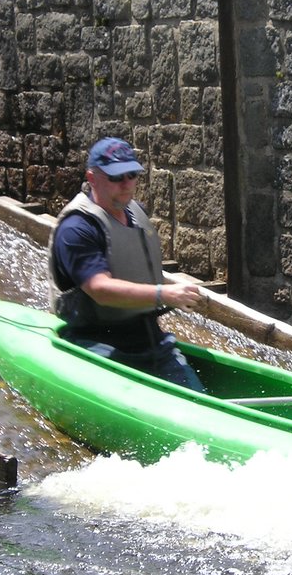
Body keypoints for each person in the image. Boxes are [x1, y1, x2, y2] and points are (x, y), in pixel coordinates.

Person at [48, 137, 206, 391]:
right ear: (92, 178)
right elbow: (99, 289)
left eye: (131, 175)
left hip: (150, 340)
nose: (126, 184)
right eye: (116, 177)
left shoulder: (135, 214)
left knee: (197, 401)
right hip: (97, 345)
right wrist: (163, 294)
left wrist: (177, 292)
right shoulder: (77, 229)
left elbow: (138, 272)